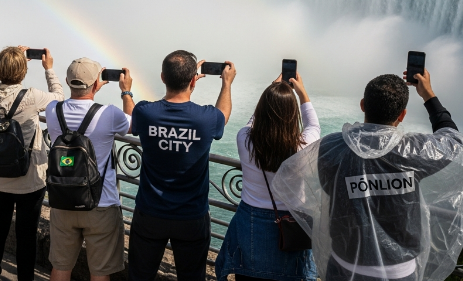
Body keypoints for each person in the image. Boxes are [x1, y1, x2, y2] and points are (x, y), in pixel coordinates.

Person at [272, 72, 463, 281]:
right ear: (402, 115)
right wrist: (428, 95)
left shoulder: (332, 146)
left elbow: (325, 188)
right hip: (399, 272)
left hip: (344, 266)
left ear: (363, 105)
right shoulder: (413, 151)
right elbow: (453, 141)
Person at [128, 51, 236, 281]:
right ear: (194, 80)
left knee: (140, 276)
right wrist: (226, 83)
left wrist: (126, 91)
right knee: (191, 277)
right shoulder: (206, 118)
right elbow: (223, 115)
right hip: (191, 216)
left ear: (162, 77)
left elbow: (134, 118)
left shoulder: (145, 112)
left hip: (149, 213)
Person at [215, 72, 318, 281]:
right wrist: (302, 94)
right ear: (292, 115)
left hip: (250, 223)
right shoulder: (304, 145)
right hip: (291, 227)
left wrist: (271, 90)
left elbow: (252, 123)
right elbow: (313, 126)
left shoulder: (245, 139)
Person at [46, 57, 135, 281]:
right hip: (100, 204)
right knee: (100, 272)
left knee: (60, 267)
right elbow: (134, 125)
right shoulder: (109, 114)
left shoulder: (52, 110)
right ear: (97, 83)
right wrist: (126, 92)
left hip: (63, 199)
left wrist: (92, 85)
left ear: (67, 81)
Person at [0, 46, 64, 281]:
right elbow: (59, 97)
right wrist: (49, 69)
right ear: (24, 71)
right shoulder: (32, 96)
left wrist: (10, 60)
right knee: (26, 236)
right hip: (29, 180)